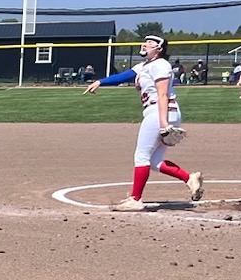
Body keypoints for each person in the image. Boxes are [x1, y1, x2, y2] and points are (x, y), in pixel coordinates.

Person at [82, 35, 203, 212]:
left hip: (160, 112)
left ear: (159, 49)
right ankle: (190, 178)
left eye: (150, 43)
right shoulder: (144, 66)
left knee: (141, 156)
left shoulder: (161, 64)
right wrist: (100, 81)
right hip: (162, 112)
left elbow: (163, 94)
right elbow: (123, 76)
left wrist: (164, 124)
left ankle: (135, 199)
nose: (145, 45)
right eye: (145, 42)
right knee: (154, 161)